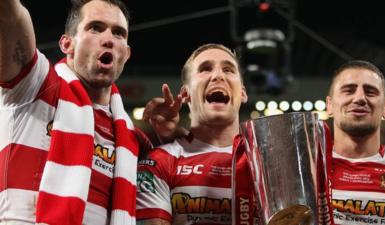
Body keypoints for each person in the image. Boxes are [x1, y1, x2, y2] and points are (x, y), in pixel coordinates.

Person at [0, 0, 180, 224]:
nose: (108, 40)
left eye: (119, 33)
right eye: (95, 28)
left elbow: (188, 179)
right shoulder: (36, 85)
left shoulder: (133, 139)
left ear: (126, 54)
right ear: (67, 44)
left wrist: (170, 135)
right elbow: (9, 15)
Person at [136, 43, 259, 225]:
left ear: (242, 93)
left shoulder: (267, 162)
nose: (218, 76)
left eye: (228, 70)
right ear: (185, 94)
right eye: (205, 69)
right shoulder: (158, 163)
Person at [326, 60, 385, 225]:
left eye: (371, 91)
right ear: (329, 106)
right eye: (348, 90)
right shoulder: (307, 171)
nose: (359, 98)